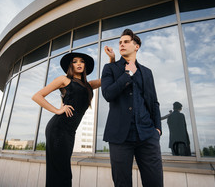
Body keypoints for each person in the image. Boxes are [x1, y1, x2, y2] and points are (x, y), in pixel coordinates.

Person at [32, 51, 114, 187]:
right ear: (71, 65)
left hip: (70, 131)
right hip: (58, 129)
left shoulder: (88, 85)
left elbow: (105, 79)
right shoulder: (64, 80)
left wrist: (111, 58)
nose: (79, 64)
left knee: (62, 169)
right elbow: (37, 96)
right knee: (61, 170)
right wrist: (58, 110)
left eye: (81, 61)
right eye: (75, 61)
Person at [101, 29, 163, 187]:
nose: (122, 44)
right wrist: (127, 74)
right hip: (120, 137)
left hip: (148, 135)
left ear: (136, 46)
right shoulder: (110, 69)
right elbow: (108, 94)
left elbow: (154, 102)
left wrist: (157, 129)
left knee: (155, 183)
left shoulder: (147, 72)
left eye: (126, 42)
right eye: (120, 42)